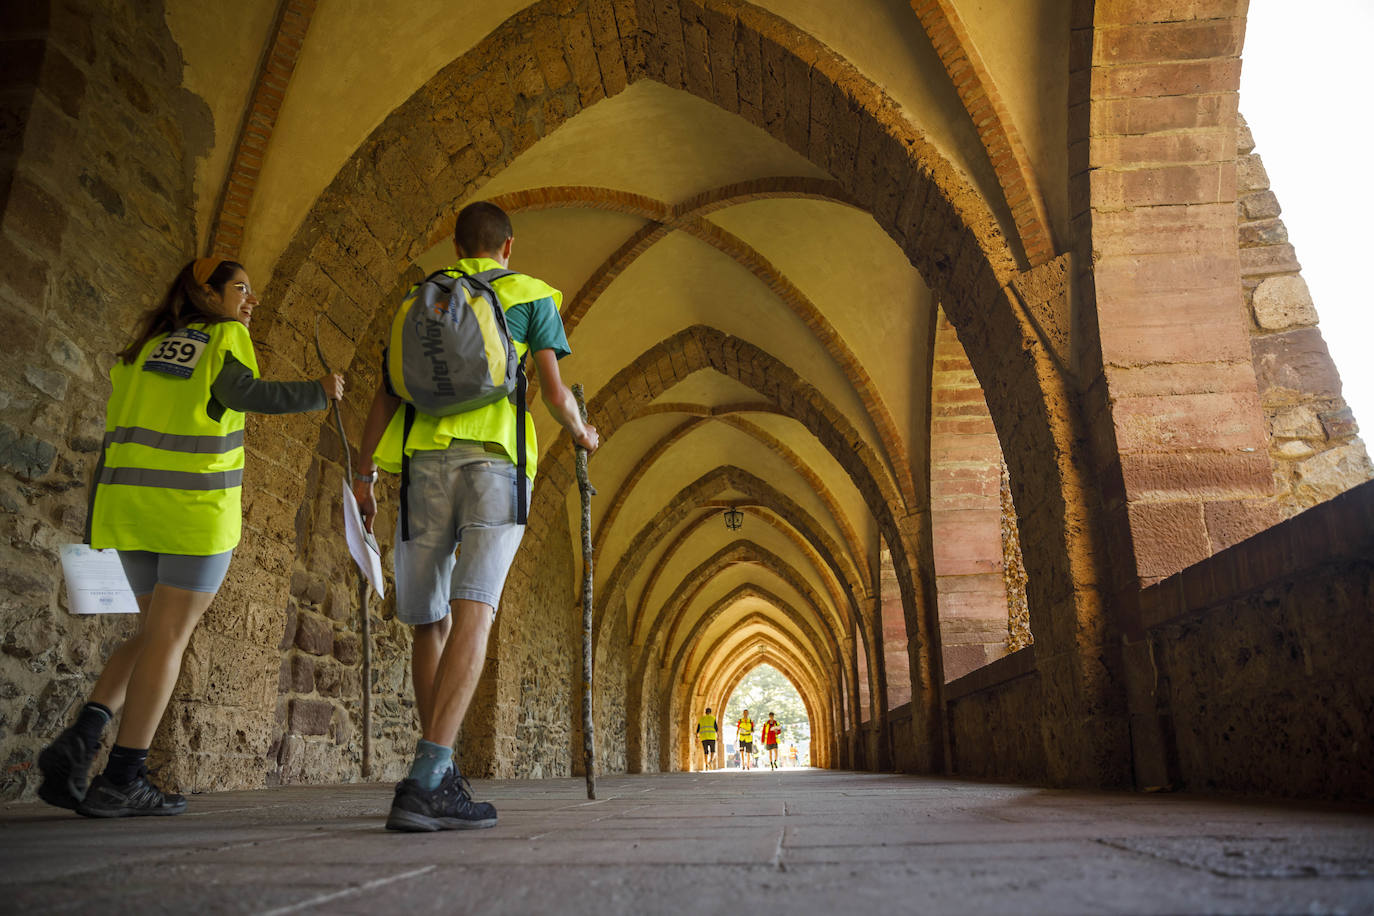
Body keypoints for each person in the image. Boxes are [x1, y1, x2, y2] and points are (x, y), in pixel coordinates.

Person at [36, 257, 343, 817]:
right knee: (171, 638)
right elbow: (245, 393)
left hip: (129, 509)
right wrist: (319, 391)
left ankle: (83, 736)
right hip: (191, 510)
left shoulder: (145, 349)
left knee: (153, 632)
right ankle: (123, 775)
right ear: (207, 292)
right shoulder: (225, 336)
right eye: (241, 289)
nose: (250, 302)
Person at [354, 201, 598, 832]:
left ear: (457, 246)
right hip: (496, 465)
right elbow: (552, 390)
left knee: (428, 622)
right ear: (507, 248)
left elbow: (386, 392)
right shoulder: (531, 294)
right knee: (475, 609)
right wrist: (582, 433)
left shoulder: (417, 301)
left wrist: (363, 472)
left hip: (421, 466)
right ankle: (428, 775)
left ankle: (441, 773)